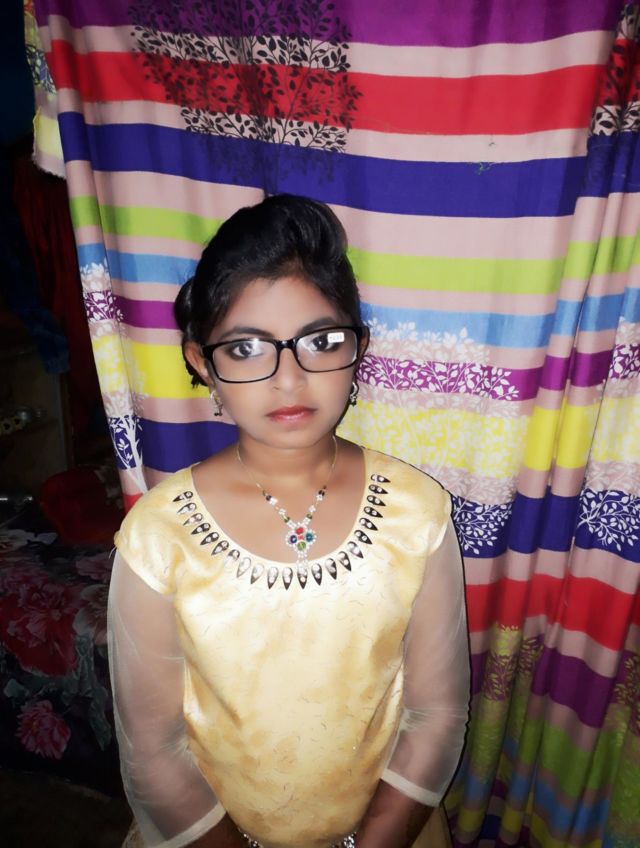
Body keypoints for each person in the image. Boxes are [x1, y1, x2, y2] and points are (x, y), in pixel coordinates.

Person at [108, 194, 470, 848]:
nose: (289, 378)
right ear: (202, 363)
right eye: (247, 348)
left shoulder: (417, 513)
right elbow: (154, 751)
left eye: (320, 341)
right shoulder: (159, 537)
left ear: (358, 348)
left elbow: (436, 715)